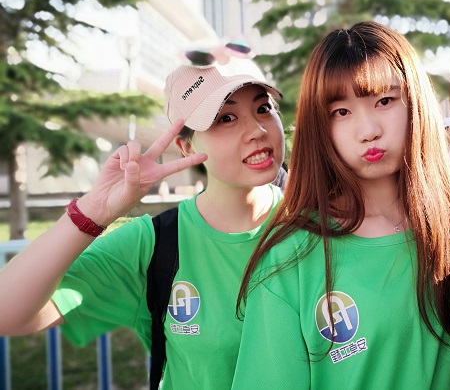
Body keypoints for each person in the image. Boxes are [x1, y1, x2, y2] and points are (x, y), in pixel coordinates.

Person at [0, 53, 286, 388]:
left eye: (263, 108)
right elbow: (8, 314)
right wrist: (92, 211)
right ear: (185, 146)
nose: (257, 130)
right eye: (226, 118)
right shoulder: (155, 244)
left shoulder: (321, 225)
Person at [231, 21, 450, 389]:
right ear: (320, 126)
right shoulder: (290, 258)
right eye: (341, 112)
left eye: (384, 101)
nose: (368, 131)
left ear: (416, 103)